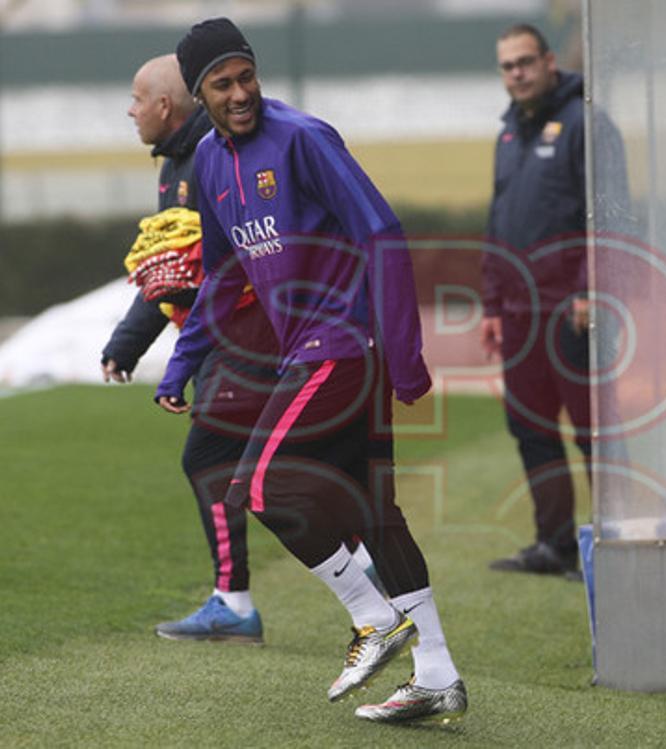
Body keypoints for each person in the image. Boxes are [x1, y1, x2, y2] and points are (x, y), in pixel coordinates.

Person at [156, 18, 465, 723]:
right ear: (200, 94)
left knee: (257, 483)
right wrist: (182, 363)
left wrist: (407, 357)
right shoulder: (207, 160)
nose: (240, 93)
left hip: (344, 345)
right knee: (375, 515)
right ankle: (437, 674)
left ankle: (372, 618)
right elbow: (225, 269)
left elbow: (382, 232)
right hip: (315, 350)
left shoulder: (303, 137)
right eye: (222, 84)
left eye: (246, 76)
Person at [101, 54, 279, 643]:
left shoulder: (211, 156)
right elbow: (169, 270)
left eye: (135, 98)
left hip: (242, 337)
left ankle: (236, 603)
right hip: (217, 341)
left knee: (211, 462)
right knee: (272, 465)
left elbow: (212, 267)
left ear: (164, 106)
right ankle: (365, 558)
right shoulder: (177, 162)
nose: (129, 110)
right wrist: (129, 344)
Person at [481, 23, 594, 576]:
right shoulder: (508, 132)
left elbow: (607, 211)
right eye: (507, 66)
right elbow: (499, 220)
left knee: (593, 430)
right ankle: (556, 544)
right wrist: (491, 303)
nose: (517, 74)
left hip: (573, 312)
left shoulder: (584, 122)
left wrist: (588, 288)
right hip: (520, 314)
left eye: (525, 62)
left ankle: (611, 546)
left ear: (549, 61)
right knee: (531, 429)